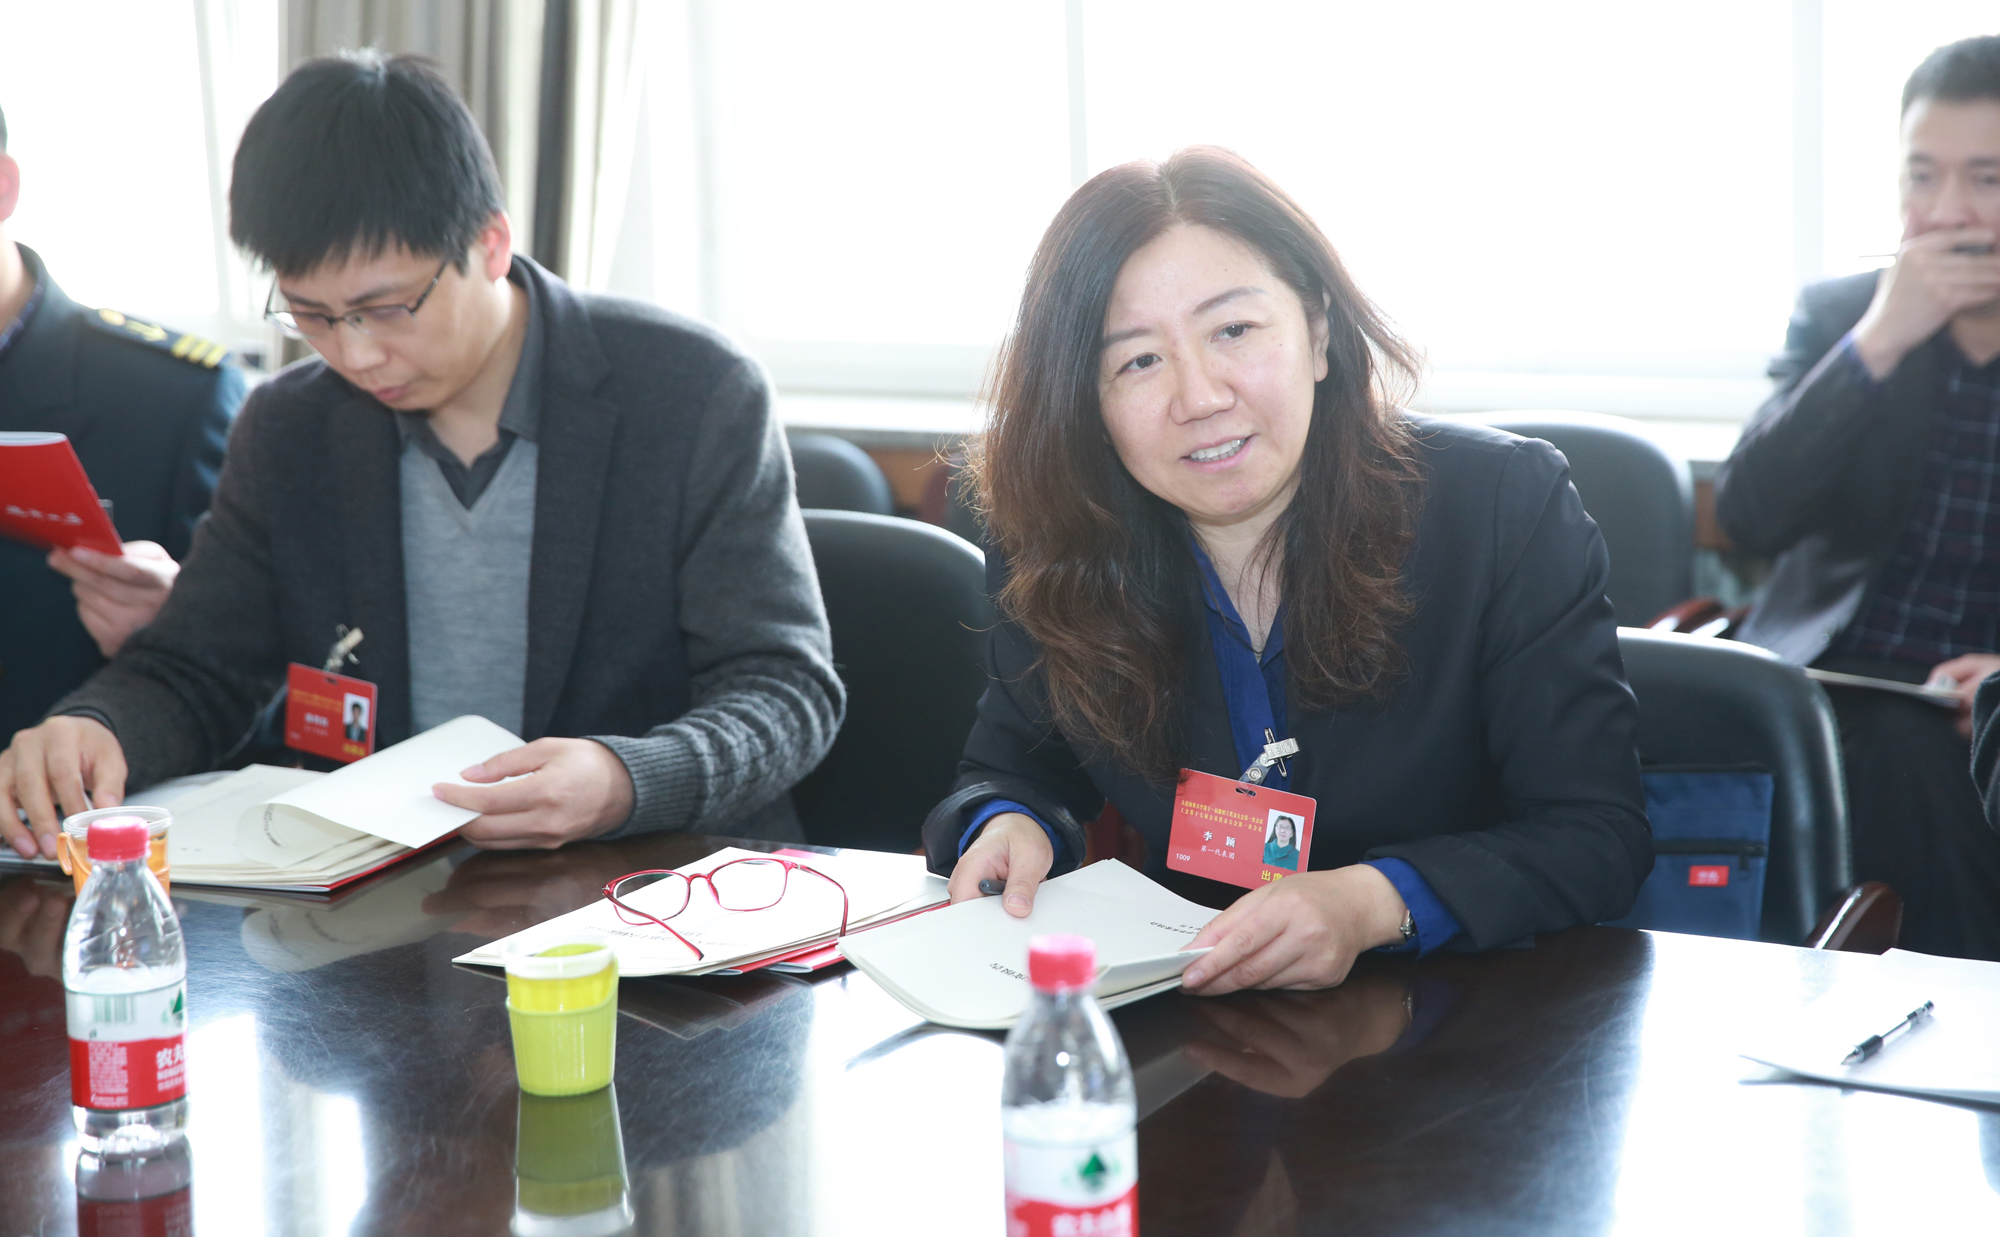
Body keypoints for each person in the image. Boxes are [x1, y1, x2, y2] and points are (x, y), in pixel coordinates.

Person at [0, 51, 841, 862]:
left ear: (490, 244)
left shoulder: (692, 393)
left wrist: (626, 780)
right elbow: (197, 669)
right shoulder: (291, 425)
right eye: (313, 316)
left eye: (388, 308)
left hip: (657, 889)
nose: (356, 355)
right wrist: (95, 728)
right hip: (380, 902)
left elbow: (785, 689)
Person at [922, 147, 1650, 995]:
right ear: (1089, 403)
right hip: (1195, 1005)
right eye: (1139, 361)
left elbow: (1596, 833)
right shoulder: (1059, 538)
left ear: (1318, 334)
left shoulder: (1500, 508)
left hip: (1472, 1013)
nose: (1200, 397)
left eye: (1233, 330)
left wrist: (1373, 902)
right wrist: (1008, 821)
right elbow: (1014, 763)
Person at [1716, 35, 2000, 960]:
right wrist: (1878, 343)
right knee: (1889, 749)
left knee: (1922, 762)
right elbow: (1749, 516)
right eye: (1922, 176)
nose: (1945, 212)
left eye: (1986, 180)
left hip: (1981, 703)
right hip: (1831, 681)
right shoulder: (1846, 317)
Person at [0, 100, 245, 745]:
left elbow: (253, 690)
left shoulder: (172, 396)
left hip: (74, 795)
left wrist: (180, 629)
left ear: (4, 188)